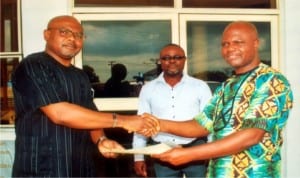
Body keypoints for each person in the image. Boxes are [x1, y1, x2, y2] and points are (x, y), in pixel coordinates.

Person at [11, 15, 158, 177]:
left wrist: (101, 140)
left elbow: (90, 113)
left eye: (79, 35)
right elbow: (60, 114)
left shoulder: (80, 76)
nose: (72, 38)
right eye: (64, 32)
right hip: (42, 167)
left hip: (80, 167)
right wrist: (122, 120)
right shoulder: (33, 65)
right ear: (46, 35)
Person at [149, 21, 294, 177]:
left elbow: (251, 135)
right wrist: (157, 124)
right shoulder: (226, 86)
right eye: (225, 44)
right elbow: (201, 125)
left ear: (256, 43)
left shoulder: (271, 81)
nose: (230, 48)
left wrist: (189, 154)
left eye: (238, 42)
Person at [133, 44, 212, 177]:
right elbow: (142, 124)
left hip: (195, 149)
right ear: (160, 62)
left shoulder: (200, 87)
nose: (172, 61)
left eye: (177, 57)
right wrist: (138, 157)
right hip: (163, 151)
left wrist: (211, 151)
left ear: (184, 60)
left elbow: (210, 122)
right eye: (166, 58)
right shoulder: (148, 89)